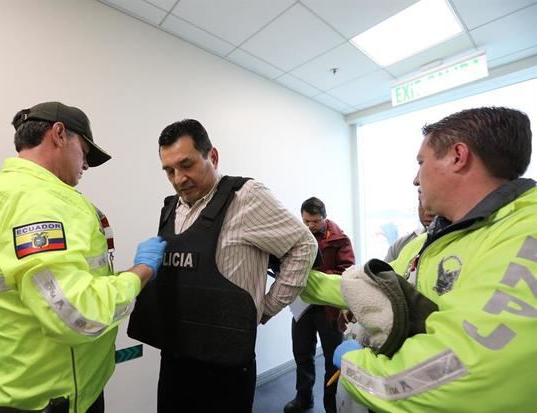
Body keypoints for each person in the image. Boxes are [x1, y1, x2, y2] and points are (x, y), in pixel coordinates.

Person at [301, 107, 536, 412]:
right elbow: (365, 286)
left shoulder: (524, 234)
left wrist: (354, 364)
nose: (415, 179)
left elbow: (462, 372)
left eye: (421, 162)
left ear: (457, 156)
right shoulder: (434, 239)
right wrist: (298, 278)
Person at [0, 101, 166, 413]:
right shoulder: (35, 201)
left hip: (26, 385)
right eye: (84, 152)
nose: (85, 164)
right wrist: (139, 273)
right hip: (55, 399)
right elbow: (75, 315)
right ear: (58, 134)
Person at [127, 119, 317, 413]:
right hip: (175, 358)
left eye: (186, 165)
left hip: (225, 364)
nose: (179, 179)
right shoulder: (170, 208)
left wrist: (266, 307)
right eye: (169, 171)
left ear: (212, 156)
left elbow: (304, 245)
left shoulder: (246, 197)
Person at [284, 197, 355, 413]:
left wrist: (316, 276)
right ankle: (303, 399)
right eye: (306, 221)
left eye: (314, 221)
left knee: (332, 358)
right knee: (302, 354)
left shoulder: (340, 239)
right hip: (302, 305)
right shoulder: (297, 235)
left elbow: (348, 272)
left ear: (324, 217)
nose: (309, 226)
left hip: (329, 308)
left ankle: (331, 405)